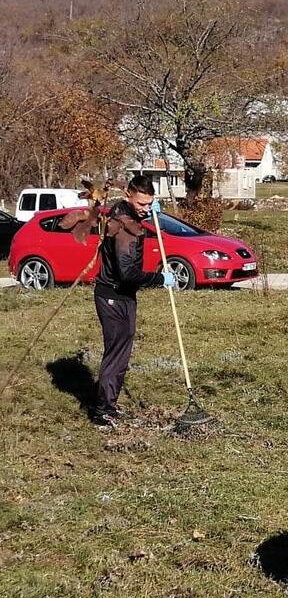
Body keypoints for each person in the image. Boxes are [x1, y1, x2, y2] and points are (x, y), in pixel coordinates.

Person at [92, 175, 175, 427]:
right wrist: (159, 278)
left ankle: (109, 405)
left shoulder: (124, 211)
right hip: (113, 296)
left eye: (149, 204)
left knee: (121, 352)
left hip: (123, 295)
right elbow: (127, 273)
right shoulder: (123, 229)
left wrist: (149, 215)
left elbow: (134, 218)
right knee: (116, 354)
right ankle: (103, 412)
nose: (145, 208)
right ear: (128, 195)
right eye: (141, 204)